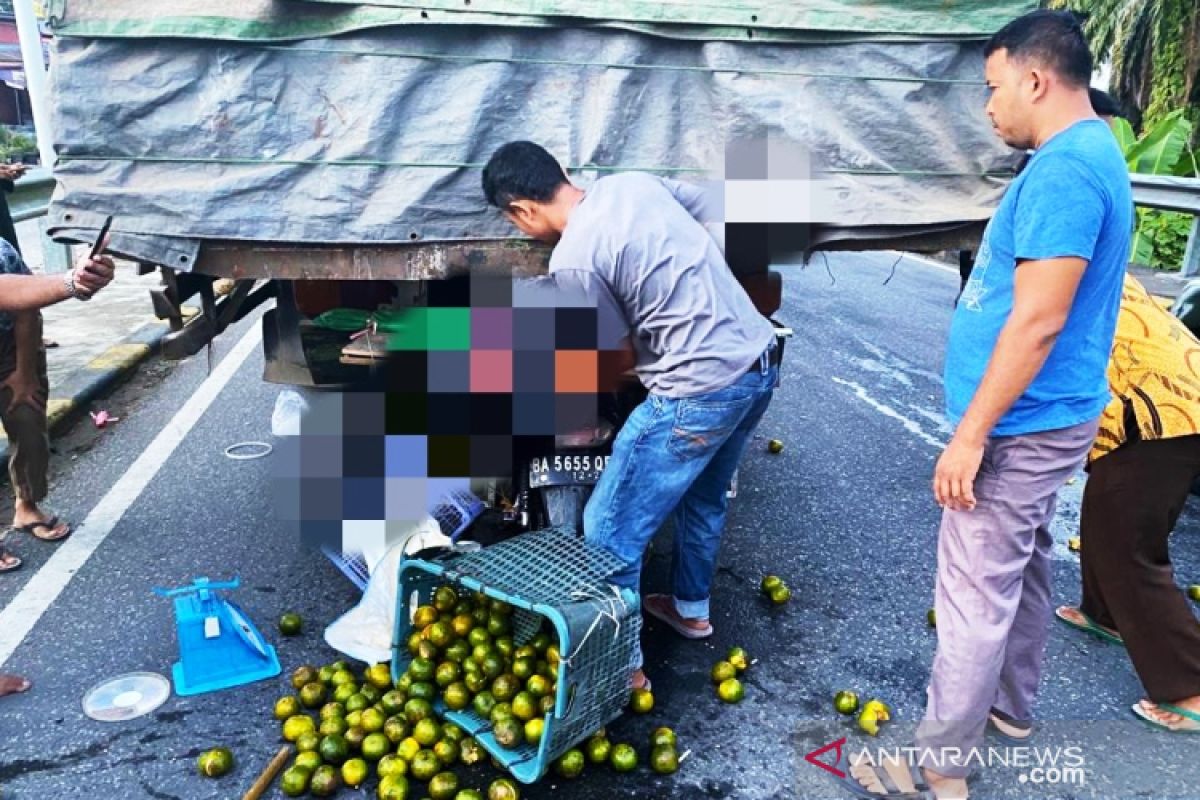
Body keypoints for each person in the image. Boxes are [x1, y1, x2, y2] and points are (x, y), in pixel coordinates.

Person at [844, 10, 1131, 799]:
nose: (989, 106)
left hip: (1020, 423)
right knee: (1022, 563)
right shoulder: (1088, 152)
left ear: (1036, 80)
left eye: (994, 87)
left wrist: (970, 435)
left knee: (972, 590)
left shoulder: (1067, 173)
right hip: (1050, 414)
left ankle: (940, 767)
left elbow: (1039, 318)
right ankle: (1009, 710)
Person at [482, 141, 778, 690]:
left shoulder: (572, 258)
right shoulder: (633, 183)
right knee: (703, 495)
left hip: (697, 392)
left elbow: (609, 361)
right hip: (757, 363)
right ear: (562, 175)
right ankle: (689, 608)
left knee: (607, 526)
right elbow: (712, 211)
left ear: (521, 211)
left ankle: (621, 666)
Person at [1053, 275, 1200, 732]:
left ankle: (1191, 686)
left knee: (1129, 544)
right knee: (1107, 511)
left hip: (1165, 405)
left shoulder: (1056, 268)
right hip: (1170, 396)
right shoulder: (1099, 260)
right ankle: (1106, 613)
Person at [0, 239, 113, 699]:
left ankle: (27, 505)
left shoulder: (3, 249)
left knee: (28, 424)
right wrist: (71, 280)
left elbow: (23, 301)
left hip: (7, 343)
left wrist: (24, 372)